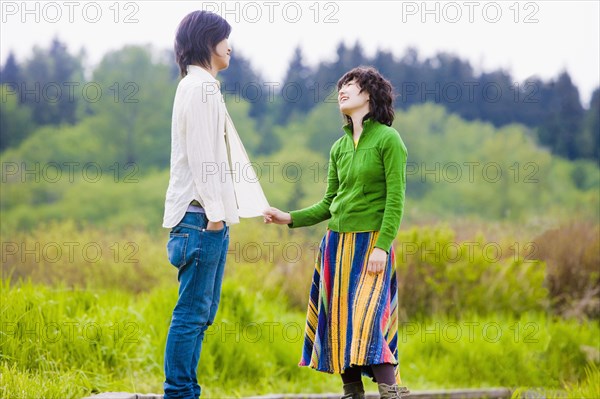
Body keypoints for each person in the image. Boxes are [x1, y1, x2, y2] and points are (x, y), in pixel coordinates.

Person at [263, 66, 409, 399]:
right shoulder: (338, 148)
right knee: (340, 321)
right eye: (341, 86)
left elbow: (395, 200)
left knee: (370, 319)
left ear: (369, 94)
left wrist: (382, 247)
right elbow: (329, 203)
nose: (342, 90)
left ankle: (392, 393)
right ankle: (351, 393)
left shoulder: (389, 140)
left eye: (352, 85)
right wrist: (289, 217)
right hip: (336, 246)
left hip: (372, 243)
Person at [162, 10, 269, 399]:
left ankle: (184, 389)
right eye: (226, 39)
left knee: (200, 313)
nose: (231, 46)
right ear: (209, 42)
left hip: (203, 216)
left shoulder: (199, 86)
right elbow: (203, 155)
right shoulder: (201, 87)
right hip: (201, 217)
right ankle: (180, 392)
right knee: (192, 314)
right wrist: (215, 216)